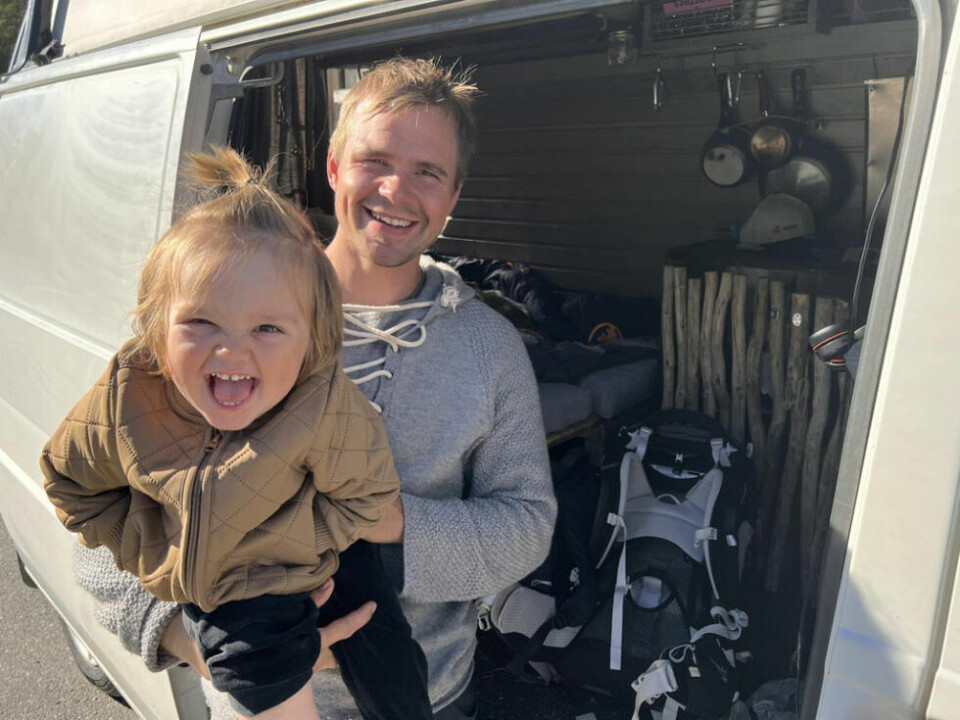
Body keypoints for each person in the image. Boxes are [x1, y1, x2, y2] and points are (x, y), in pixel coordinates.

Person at [74, 56, 557, 719]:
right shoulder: (226, 310)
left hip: (430, 697)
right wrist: (213, 646)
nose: (396, 189)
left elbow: (527, 526)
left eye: (427, 172)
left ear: (453, 193)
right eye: (375, 161)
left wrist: (392, 525)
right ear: (333, 168)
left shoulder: (489, 349)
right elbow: (100, 521)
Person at [42, 147, 432, 720]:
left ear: (312, 342)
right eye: (201, 321)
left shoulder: (319, 401)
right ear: (156, 326)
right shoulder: (130, 393)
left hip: (290, 561)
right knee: (256, 662)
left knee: (390, 659)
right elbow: (69, 483)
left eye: (269, 327)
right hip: (226, 596)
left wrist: (294, 549)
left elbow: (367, 496)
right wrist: (159, 549)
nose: (232, 349)